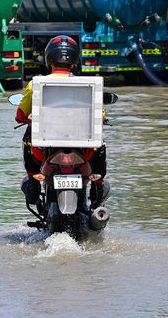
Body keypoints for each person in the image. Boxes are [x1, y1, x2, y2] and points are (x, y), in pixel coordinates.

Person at [15, 35, 110, 212]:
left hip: (43, 151)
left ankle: (33, 182)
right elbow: (100, 115)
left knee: (28, 136)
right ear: (74, 62)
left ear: (49, 59)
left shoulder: (34, 84)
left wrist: (28, 118)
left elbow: (20, 115)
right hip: (84, 151)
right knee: (101, 144)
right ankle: (98, 184)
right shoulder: (88, 83)